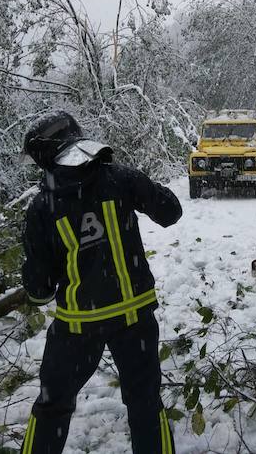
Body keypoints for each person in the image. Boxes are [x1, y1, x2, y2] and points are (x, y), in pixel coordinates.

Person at [19, 110, 181, 454]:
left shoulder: (41, 207)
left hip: (78, 325)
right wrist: (146, 187)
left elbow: (39, 290)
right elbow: (171, 211)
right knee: (146, 404)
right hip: (135, 317)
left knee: (52, 407)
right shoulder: (120, 178)